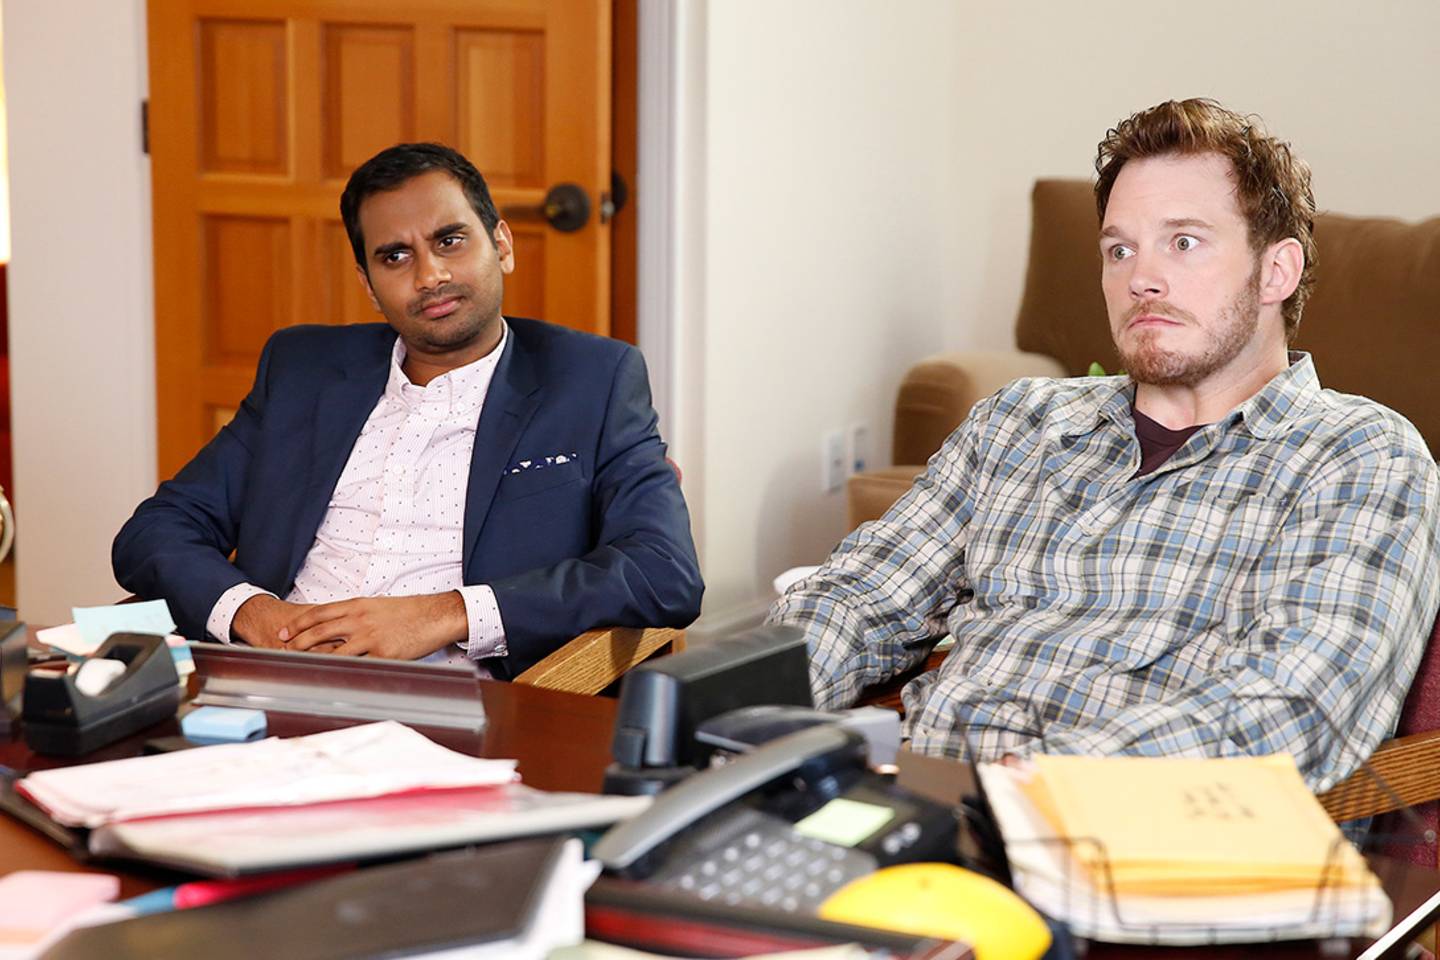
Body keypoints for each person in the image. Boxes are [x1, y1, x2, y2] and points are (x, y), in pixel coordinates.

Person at [770, 99, 1440, 793]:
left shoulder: (1360, 456)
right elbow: (860, 598)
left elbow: (1289, 710)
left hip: (1130, 833)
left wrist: (1021, 788)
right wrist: (737, 711)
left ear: (1277, 271)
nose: (1139, 279)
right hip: (917, 800)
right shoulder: (1020, 423)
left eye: (1183, 242)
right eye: (1120, 250)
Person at [114, 143, 703, 678]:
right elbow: (155, 530)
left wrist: (443, 615)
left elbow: (664, 572)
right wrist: (254, 614)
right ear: (369, 285)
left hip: (451, 701)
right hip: (266, 674)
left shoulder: (593, 380)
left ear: (501, 245)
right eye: (395, 256)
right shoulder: (303, 370)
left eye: (450, 241)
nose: (430, 276)